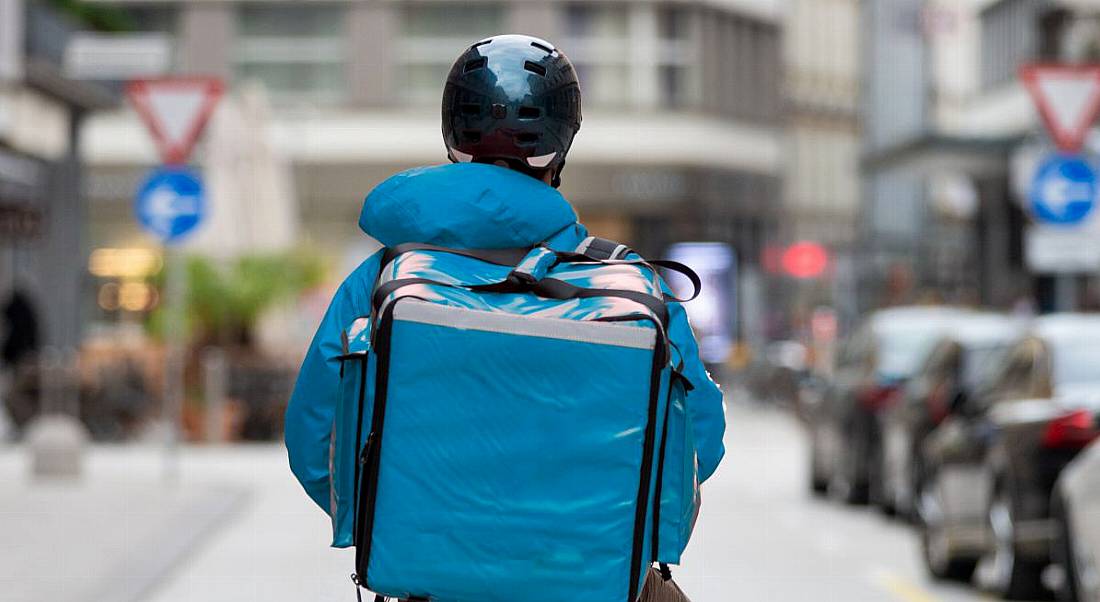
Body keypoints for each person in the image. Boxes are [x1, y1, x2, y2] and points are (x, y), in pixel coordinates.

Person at [285, 34, 725, 600]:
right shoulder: (632, 283)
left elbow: (313, 440)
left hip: (431, 580)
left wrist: (409, 523)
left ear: (452, 134)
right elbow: (699, 446)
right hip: (592, 578)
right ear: (562, 143)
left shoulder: (381, 278)